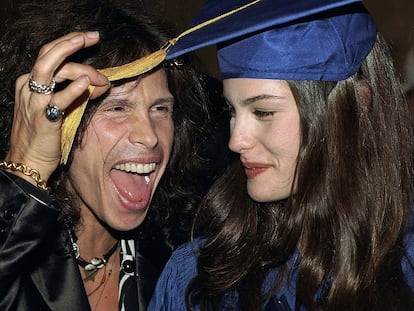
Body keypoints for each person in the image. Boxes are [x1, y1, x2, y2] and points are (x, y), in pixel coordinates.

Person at [148, 0, 414, 310]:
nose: (235, 140)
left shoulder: (405, 265)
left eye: (263, 111)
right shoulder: (199, 278)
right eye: (232, 110)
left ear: (352, 110)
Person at [0, 0, 226, 310]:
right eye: (117, 108)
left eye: (160, 108)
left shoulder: (179, 267)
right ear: (57, 122)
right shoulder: (18, 255)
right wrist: (27, 168)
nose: (149, 136)